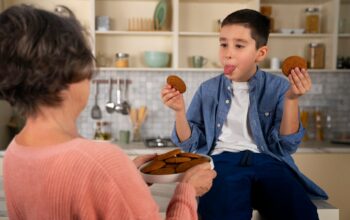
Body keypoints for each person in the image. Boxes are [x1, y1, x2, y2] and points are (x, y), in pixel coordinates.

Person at [0, 5, 216, 220]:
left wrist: (125, 177)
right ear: (68, 74)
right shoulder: (102, 161)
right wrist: (187, 191)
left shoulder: (14, 154)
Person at [161, 9, 328, 220]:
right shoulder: (207, 90)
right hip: (221, 163)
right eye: (223, 44)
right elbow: (191, 146)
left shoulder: (279, 88)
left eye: (239, 45)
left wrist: (291, 99)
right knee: (222, 211)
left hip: (269, 160)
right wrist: (179, 112)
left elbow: (286, 146)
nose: (227, 53)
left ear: (261, 53)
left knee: (298, 211)